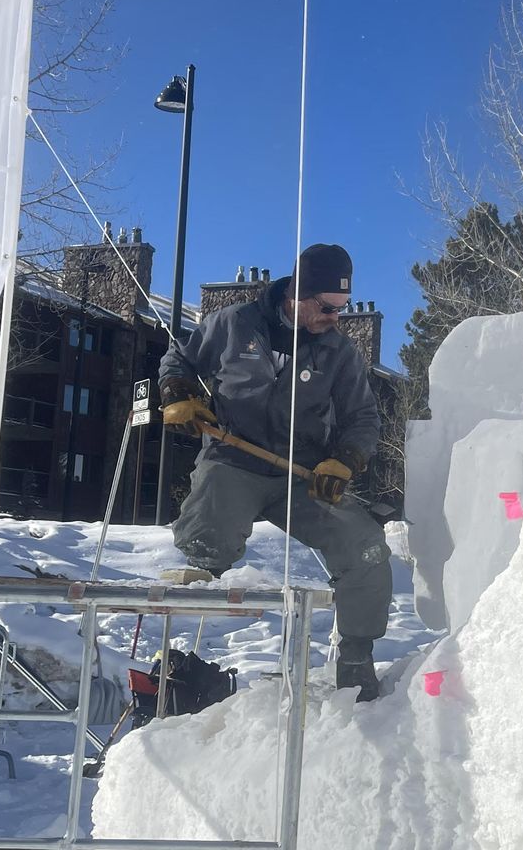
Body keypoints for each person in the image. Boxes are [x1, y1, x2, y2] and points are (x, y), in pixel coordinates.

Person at [157, 243, 387, 701]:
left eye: (341, 309)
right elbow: (178, 359)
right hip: (233, 460)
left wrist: (344, 459)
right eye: (326, 307)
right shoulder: (233, 325)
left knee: (365, 546)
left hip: (303, 475)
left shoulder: (339, 352)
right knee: (209, 528)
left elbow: (364, 417)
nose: (334, 318)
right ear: (296, 295)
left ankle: (357, 657)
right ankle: (203, 573)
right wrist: (179, 392)